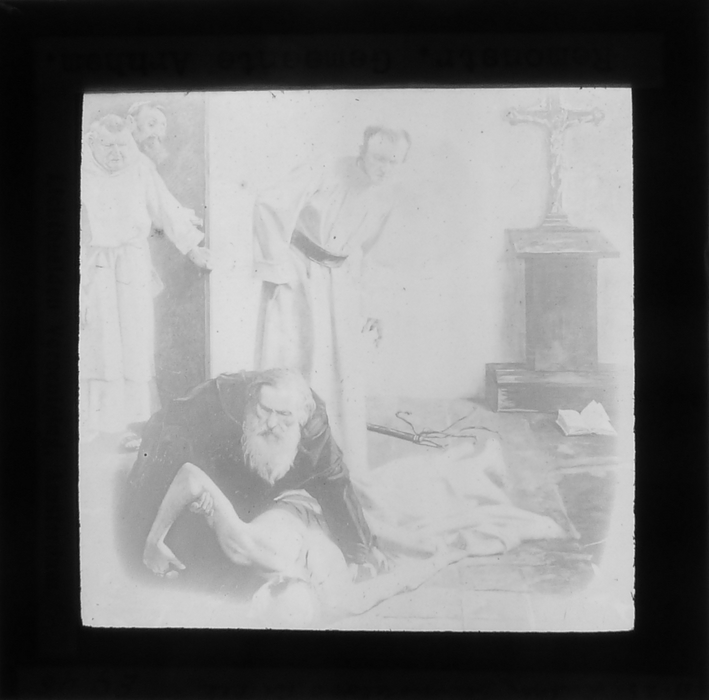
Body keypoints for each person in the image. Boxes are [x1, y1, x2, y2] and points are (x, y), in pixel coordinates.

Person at [126, 369, 389, 588]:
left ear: (302, 415)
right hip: (198, 462)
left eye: (284, 415)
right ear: (251, 404)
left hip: (257, 497)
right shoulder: (216, 403)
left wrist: (361, 551)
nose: (272, 423)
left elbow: (337, 486)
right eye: (265, 410)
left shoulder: (315, 431)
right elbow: (172, 447)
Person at [253, 126, 411, 484]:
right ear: (362, 149)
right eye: (378, 158)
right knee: (292, 365)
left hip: (340, 283)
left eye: (393, 162)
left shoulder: (387, 197)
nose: (384, 168)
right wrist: (277, 270)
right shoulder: (325, 169)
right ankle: (276, 466)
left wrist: (374, 309)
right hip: (299, 274)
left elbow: (375, 254)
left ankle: (330, 467)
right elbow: (269, 204)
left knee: (340, 375)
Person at [80, 114, 212, 441]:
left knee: (135, 339)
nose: (116, 153)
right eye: (108, 145)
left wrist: (193, 249)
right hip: (94, 265)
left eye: (122, 145)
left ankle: (136, 423)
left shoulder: (140, 168)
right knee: (100, 340)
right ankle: (94, 421)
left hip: (133, 263)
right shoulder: (80, 169)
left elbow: (165, 208)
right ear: (92, 143)